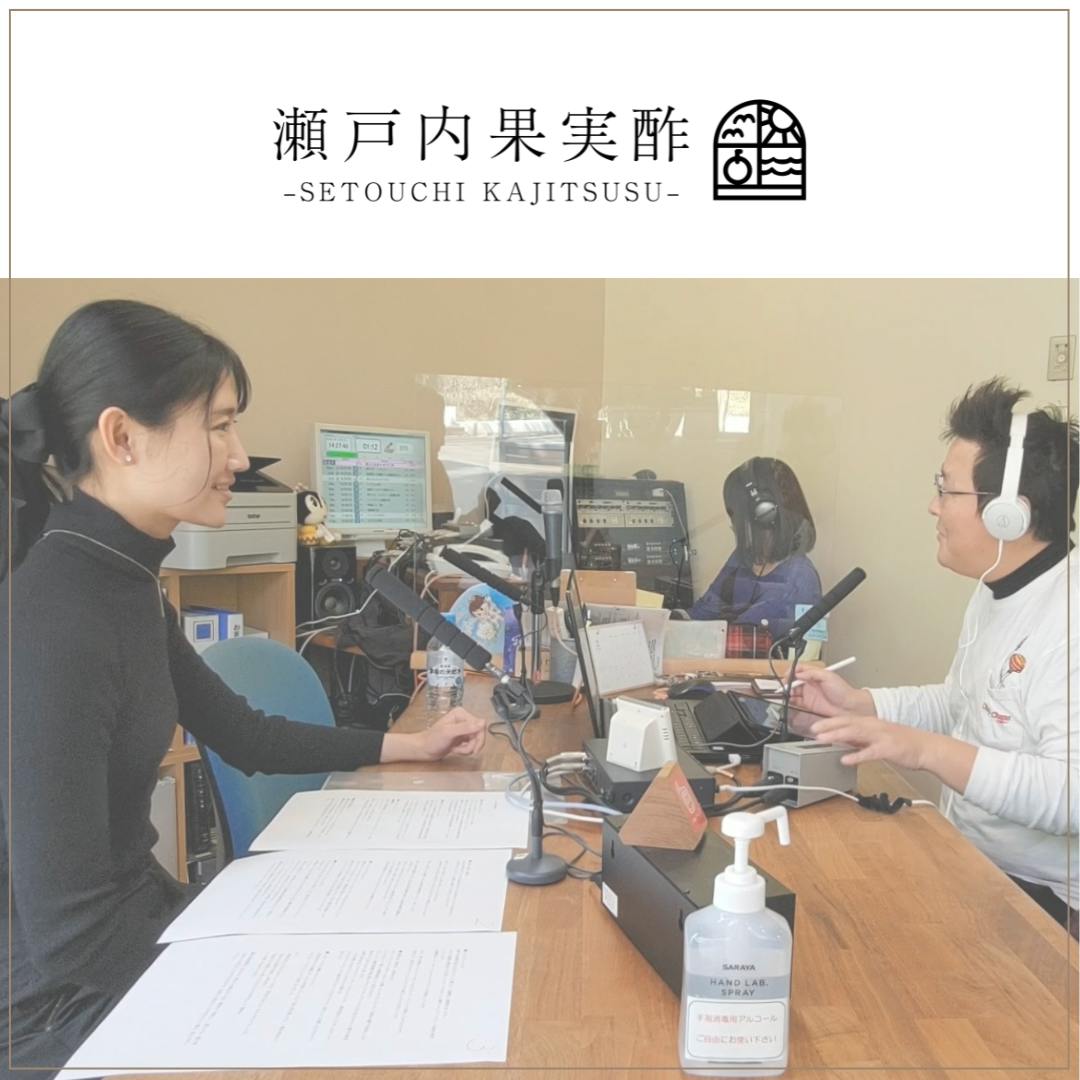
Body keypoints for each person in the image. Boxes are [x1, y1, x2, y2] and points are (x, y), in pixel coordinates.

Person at [0, 300, 488, 1072]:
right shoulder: (53, 619)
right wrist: (261, 975)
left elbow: (244, 734)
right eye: (219, 426)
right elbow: (69, 937)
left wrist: (410, 745)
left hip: (133, 937)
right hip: (55, 1008)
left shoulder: (121, 581)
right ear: (122, 438)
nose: (238, 454)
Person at [793, 378, 1078, 936]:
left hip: (1047, 906)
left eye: (947, 490)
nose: (933, 506)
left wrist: (925, 750)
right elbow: (963, 702)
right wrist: (860, 705)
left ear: (1008, 515)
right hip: (976, 862)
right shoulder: (1000, 587)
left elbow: (1070, 796)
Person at [688, 457, 822, 657]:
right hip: (723, 668)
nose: (733, 525)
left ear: (764, 515)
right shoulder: (744, 559)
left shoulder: (799, 579)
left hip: (762, 674)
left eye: (735, 515)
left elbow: (745, 644)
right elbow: (704, 612)